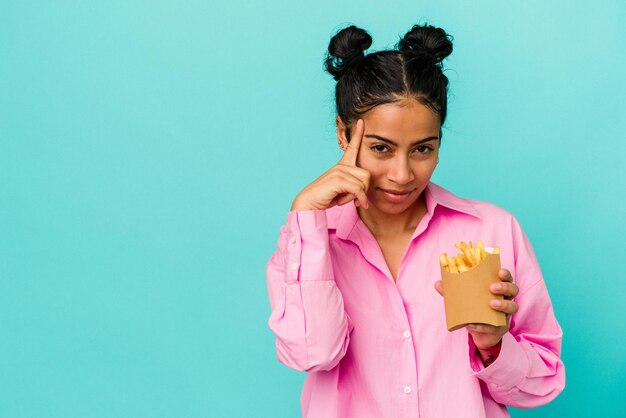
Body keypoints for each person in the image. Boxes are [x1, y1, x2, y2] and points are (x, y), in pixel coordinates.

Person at [266, 23, 565, 418]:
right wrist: (305, 215)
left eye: (422, 149)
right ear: (343, 134)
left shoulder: (493, 230)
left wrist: (493, 343)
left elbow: (543, 384)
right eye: (380, 148)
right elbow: (313, 354)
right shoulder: (308, 242)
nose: (403, 174)